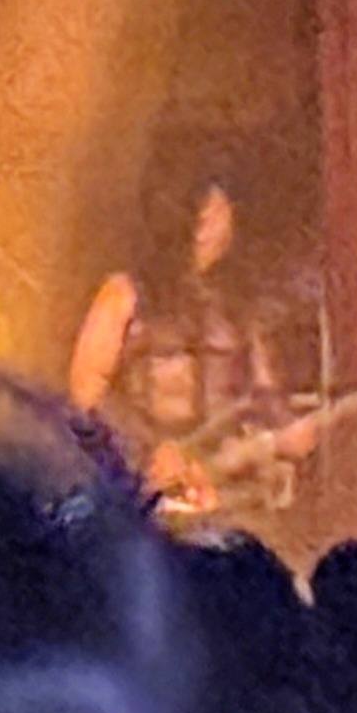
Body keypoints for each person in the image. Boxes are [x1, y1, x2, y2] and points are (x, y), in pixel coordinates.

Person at [68, 178, 289, 525]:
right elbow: (86, 388)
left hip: (224, 492)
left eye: (222, 215)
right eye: (206, 216)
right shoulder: (125, 294)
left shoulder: (239, 304)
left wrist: (273, 444)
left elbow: (266, 396)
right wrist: (148, 448)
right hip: (143, 487)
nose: (216, 227)